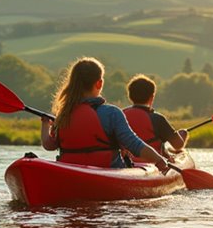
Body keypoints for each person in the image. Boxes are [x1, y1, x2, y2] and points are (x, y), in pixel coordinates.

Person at [41, 57, 170, 171]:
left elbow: (49, 145)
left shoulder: (64, 114)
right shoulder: (111, 113)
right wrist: (159, 160)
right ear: (99, 83)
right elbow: (134, 145)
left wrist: (45, 124)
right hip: (107, 170)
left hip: (71, 171)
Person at [122, 75, 188, 156]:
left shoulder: (120, 115)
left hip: (123, 161)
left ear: (129, 96)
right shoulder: (157, 119)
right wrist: (183, 135)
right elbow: (178, 145)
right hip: (152, 162)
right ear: (152, 97)